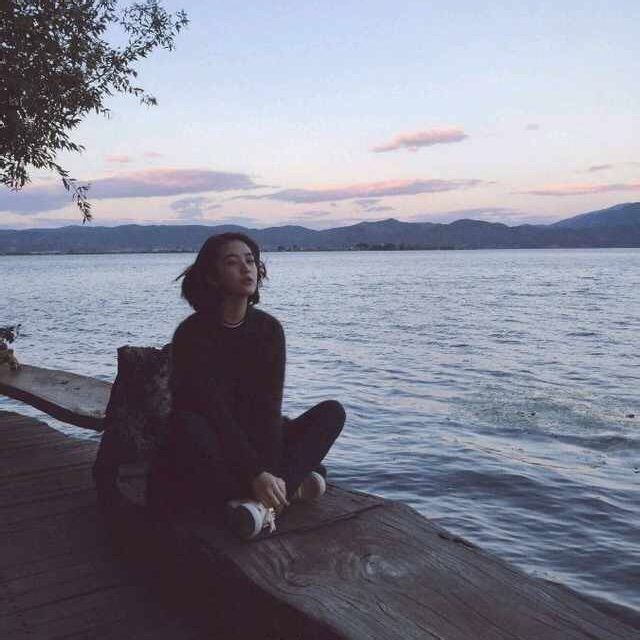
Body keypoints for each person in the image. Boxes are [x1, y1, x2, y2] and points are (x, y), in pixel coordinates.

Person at [147, 232, 345, 538]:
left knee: (332, 412)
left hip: (256, 437)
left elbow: (268, 410)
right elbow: (213, 414)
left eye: (251, 261)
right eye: (232, 262)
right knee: (187, 425)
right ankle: (286, 489)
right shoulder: (192, 334)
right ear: (212, 277)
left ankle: (261, 503)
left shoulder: (268, 330)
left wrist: (266, 472)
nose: (246, 268)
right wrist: (255, 473)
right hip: (210, 441)